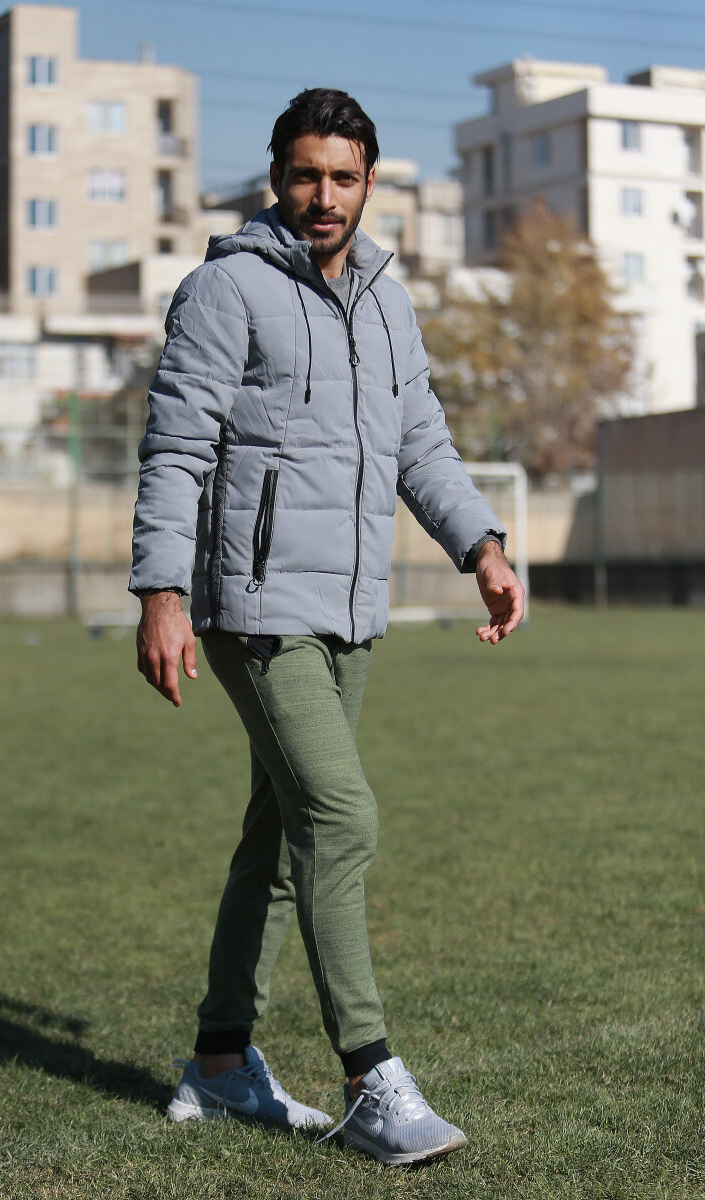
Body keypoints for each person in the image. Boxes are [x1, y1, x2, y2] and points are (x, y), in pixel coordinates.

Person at [130, 88, 524, 1166]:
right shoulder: (224, 290)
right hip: (256, 609)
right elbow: (176, 448)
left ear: (369, 184)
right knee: (341, 818)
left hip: (350, 612)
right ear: (276, 178)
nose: (323, 196)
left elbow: (421, 446)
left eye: (343, 178)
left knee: (279, 836)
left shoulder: (388, 303)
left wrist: (482, 549)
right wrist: (161, 592)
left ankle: (220, 1064)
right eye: (305, 174)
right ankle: (370, 1079)